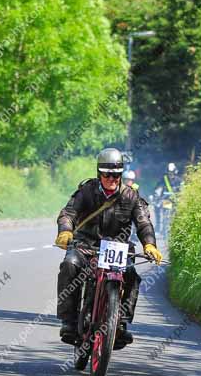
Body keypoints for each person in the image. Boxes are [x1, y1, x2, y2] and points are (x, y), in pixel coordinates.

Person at [54, 147, 162, 347]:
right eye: (107, 174)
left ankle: (120, 323)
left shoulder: (131, 196)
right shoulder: (87, 191)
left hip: (118, 249)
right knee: (69, 265)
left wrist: (149, 244)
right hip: (85, 245)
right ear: (99, 173)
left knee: (131, 275)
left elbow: (144, 223)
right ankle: (68, 321)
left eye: (116, 174)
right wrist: (65, 231)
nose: (112, 178)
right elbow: (68, 213)